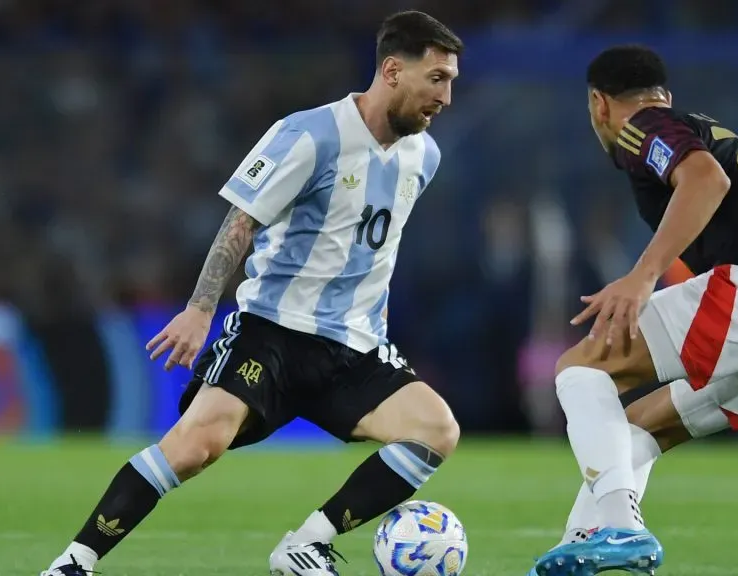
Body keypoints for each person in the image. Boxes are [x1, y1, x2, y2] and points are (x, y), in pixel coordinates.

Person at [41, 11, 463, 576]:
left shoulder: (423, 155)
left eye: (451, 80)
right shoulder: (309, 134)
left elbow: (374, 242)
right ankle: (74, 562)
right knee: (194, 446)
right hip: (273, 334)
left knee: (437, 430)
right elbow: (241, 223)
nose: (447, 96)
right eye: (437, 79)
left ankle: (306, 545)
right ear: (392, 70)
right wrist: (199, 309)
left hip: (354, 347)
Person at [531, 45, 738, 576]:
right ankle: (582, 548)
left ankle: (621, 528)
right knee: (639, 428)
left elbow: (706, 180)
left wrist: (643, 275)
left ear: (599, 105)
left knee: (580, 369)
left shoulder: (641, 125)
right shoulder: (694, 124)